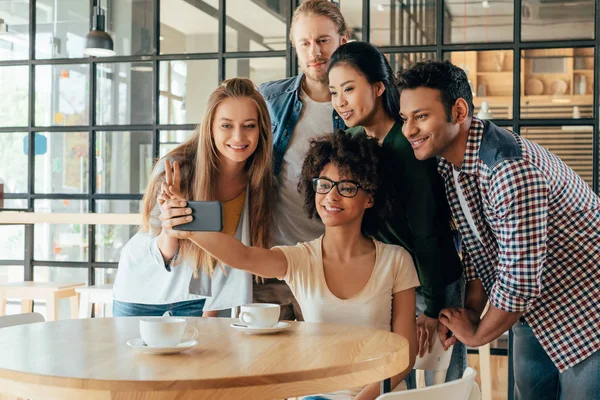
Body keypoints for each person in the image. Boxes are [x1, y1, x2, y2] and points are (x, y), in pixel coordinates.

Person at [160, 131, 419, 399]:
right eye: (324, 184)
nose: (331, 196)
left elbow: (405, 353)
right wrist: (187, 227)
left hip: (382, 396)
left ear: (370, 197)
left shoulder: (396, 260)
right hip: (319, 395)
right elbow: (244, 257)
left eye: (347, 188)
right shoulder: (301, 260)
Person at [397, 60, 600, 399]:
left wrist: (476, 336)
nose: (409, 131)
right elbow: (479, 249)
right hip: (535, 312)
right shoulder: (453, 164)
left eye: (421, 116)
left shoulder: (508, 169)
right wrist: (472, 313)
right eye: (405, 118)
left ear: (459, 111)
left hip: (586, 313)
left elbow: (519, 284)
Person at [327, 41, 466, 385]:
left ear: (378, 87)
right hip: (391, 284)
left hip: (433, 282)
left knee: (441, 385)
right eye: (333, 92)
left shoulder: (407, 145)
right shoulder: (353, 139)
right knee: (389, 381)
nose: (339, 101)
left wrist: (433, 308)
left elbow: (427, 232)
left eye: (349, 89)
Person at [112, 78, 273, 317]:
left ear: (261, 130)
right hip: (144, 293)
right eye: (226, 126)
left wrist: (212, 310)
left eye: (249, 125)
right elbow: (161, 251)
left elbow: (230, 257)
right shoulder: (176, 169)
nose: (238, 137)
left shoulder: (259, 182)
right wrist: (170, 230)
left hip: (201, 301)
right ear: (210, 127)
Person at [256, 0, 350, 321]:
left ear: (343, 41)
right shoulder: (269, 100)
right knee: (270, 367)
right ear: (295, 46)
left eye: (323, 40)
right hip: (276, 265)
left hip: (336, 269)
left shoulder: (363, 108)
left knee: (334, 366)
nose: (315, 52)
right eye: (305, 43)